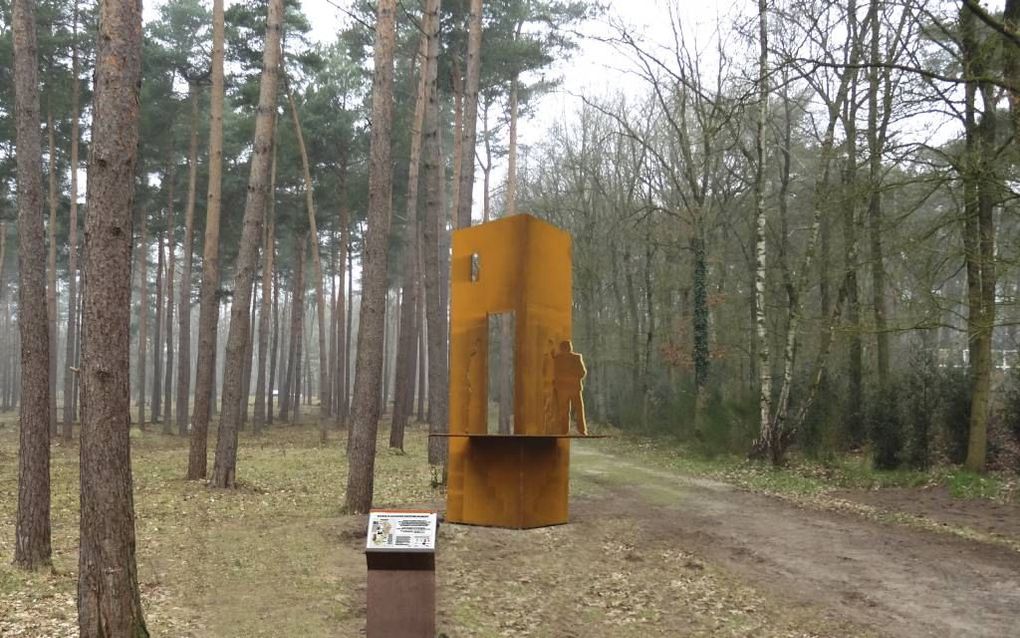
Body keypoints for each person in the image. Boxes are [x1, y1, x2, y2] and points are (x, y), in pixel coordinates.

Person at [553, 340, 587, 435]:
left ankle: (566, 431)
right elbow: (582, 373)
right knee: (577, 409)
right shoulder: (576, 358)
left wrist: (565, 377)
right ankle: (580, 430)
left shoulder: (558, 359)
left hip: (565, 389)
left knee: (566, 410)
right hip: (573, 388)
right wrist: (573, 376)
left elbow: (582, 373)